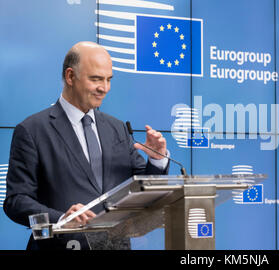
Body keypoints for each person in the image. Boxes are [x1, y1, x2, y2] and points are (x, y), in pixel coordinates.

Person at [4, 41, 170, 250]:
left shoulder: (117, 128)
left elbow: (142, 190)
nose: (105, 88)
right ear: (70, 76)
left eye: (109, 80)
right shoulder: (32, 130)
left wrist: (156, 158)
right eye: (96, 79)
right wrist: (62, 219)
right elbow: (16, 201)